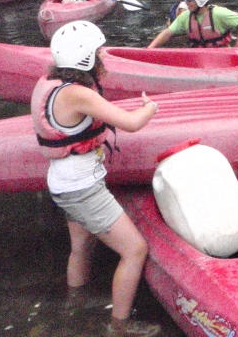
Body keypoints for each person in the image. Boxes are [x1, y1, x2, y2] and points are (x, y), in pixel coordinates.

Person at [31, 21, 161, 337]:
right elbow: (131, 123)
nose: (102, 56)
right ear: (86, 59)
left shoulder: (48, 82)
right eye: (97, 52)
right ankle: (120, 325)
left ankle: (74, 304)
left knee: (81, 245)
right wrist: (150, 107)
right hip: (82, 189)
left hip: (63, 185)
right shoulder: (77, 94)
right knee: (134, 250)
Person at [147, 0, 238, 48]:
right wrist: (149, 49)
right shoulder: (185, 16)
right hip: (198, 57)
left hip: (221, 56)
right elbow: (167, 33)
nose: (186, 3)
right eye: (186, 0)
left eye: (190, 0)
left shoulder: (218, 13)